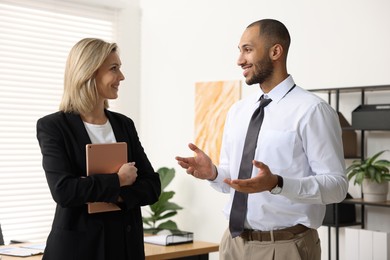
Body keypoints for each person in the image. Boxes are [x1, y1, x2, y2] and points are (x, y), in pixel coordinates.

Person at [175, 19, 348, 260]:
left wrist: (278, 183)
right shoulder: (238, 111)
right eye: (240, 51)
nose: (239, 60)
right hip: (233, 243)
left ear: (275, 51)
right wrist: (214, 173)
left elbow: (337, 187)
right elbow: (237, 181)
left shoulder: (312, 110)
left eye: (247, 50)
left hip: (285, 246)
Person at [36, 38, 161, 260]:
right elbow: (64, 191)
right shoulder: (54, 126)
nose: (121, 77)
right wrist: (118, 181)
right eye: (114, 69)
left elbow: (151, 185)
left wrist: (112, 195)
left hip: (124, 247)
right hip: (78, 251)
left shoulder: (124, 124)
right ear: (88, 72)